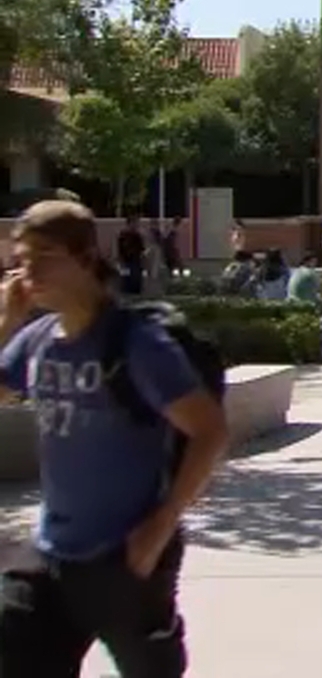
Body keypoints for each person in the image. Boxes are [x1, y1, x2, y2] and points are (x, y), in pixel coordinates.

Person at [0, 200, 228, 676]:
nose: (29, 270)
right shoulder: (37, 339)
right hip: (50, 554)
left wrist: (160, 529)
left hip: (125, 557)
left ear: (84, 257)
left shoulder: (135, 343)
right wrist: (7, 324)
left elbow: (208, 432)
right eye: (22, 259)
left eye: (45, 255)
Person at [115, 216, 147, 297]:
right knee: (127, 279)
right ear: (130, 223)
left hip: (135, 261)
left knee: (135, 280)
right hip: (128, 261)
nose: (137, 225)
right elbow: (120, 249)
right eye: (135, 223)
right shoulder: (124, 235)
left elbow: (142, 249)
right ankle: (127, 294)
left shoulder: (137, 235)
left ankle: (134, 294)